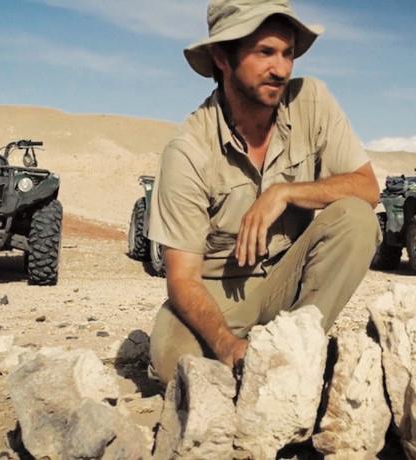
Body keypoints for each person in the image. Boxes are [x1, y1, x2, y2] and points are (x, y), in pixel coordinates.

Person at [147, 0, 381, 383]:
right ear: (223, 58)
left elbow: (366, 188)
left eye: (288, 54)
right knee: (176, 364)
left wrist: (284, 193)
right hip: (220, 289)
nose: (282, 69)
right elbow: (183, 279)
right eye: (265, 53)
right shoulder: (188, 150)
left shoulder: (313, 101)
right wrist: (226, 347)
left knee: (356, 217)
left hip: (290, 279)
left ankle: (298, 352)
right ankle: (251, 356)